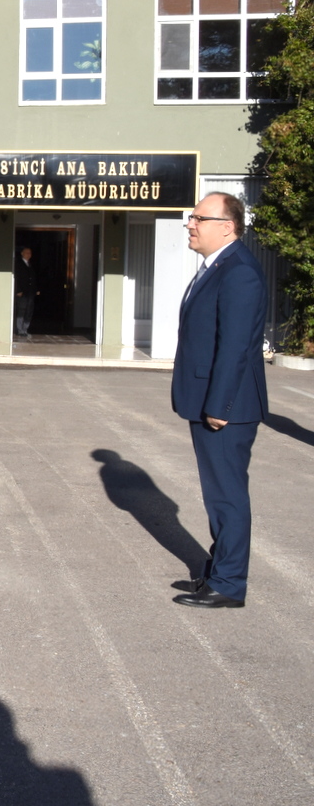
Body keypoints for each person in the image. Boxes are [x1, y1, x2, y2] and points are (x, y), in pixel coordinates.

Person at [171, 191, 266, 609]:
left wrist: (219, 407)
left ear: (227, 226)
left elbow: (236, 348)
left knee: (227, 494)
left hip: (227, 407)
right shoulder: (217, 267)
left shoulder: (239, 271)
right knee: (218, 494)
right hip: (212, 400)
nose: (191, 224)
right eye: (191, 218)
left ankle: (228, 583)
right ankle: (218, 569)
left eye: (199, 218)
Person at [13, 247, 38, 339]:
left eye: (30, 253)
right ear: (22, 253)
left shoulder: (30, 264)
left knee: (29, 311)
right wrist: (18, 290)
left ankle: (25, 329)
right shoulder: (18, 264)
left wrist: (36, 290)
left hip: (30, 293)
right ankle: (20, 330)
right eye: (26, 252)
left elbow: (34, 278)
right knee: (21, 310)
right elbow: (17, 278)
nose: (28, 254)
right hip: (22, 293)